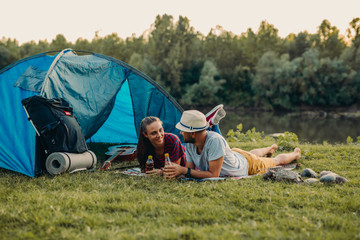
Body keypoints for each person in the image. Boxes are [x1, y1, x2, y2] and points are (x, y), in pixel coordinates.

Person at [163, 110, 301, 179]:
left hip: (248, 165)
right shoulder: (190, 143)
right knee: (252, 154)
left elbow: (213, 174)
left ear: (193, 133)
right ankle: (270, 148)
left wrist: (184, 171)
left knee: (275, 161)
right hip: (233, 156)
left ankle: (295, 153)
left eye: (183, 130)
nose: (180, 132)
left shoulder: (215, 141)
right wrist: (176, 171)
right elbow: (190, 170)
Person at [137, 105, 227, 175]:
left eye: (161, 130)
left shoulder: (173, 140)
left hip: (184, 154)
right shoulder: (143, 147)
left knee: (212, 139)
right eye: (153, 133)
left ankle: (211, 124)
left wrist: (162, 172)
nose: (159, 135)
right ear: (145, 134)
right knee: (203, 139)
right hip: (189, 148)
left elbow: (176, 168)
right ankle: (207, 124)